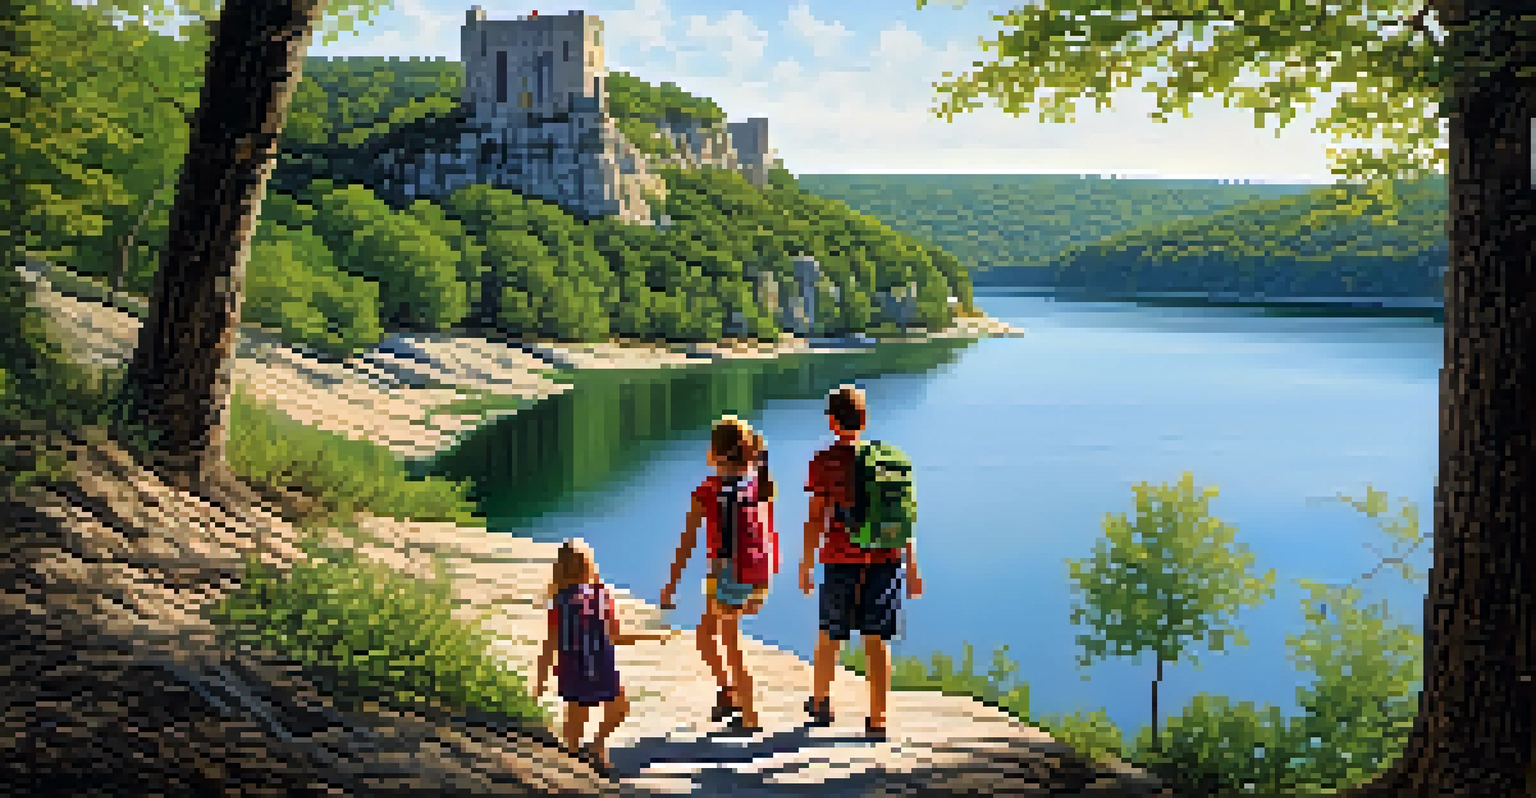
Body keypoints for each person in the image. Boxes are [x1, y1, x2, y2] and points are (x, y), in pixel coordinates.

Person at [800, 384, 922, 741]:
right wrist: (913, 568)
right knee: (877, 639)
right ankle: (877, 718)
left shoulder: (824, 462)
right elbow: (905, 520)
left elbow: (816, 517)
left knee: (829, 633)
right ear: (864, 419)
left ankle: (821, 702)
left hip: (840, 559)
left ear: (831, 421)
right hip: (886, 560)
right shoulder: (890, 461)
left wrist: (806, 564)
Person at [660, 415, 777, 734]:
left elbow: (687, 543)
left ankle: (750, 716)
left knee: (731, 644)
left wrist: (670, 585)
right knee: (705, 635)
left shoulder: (708, 491)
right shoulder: (758, 483)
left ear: (716, 453)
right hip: (756, 572)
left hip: (728, 574)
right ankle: (728, 692)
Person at [533, 537, 677, 775]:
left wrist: (540, 680)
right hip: (601, 668)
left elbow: (550, 646)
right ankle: (597, 746)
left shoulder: (559, 603)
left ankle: (574, 764)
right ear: (590, 566)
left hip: (573, 671)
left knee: (575, 722)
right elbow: (616, 636)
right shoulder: (601, 596)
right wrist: (651, 635)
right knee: (619, 709)